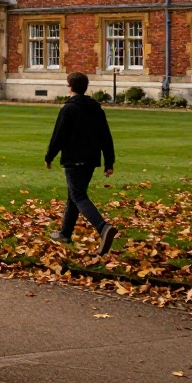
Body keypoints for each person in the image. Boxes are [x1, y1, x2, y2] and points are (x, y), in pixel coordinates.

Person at [46, 71, 119, 255]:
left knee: (78, 196)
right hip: (91, 160)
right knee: (74, 195)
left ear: (70, 86)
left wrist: (49, 157)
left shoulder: (68, 109)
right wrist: (109, 161)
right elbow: (105, 136)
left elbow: (58, 136)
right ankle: (65, 233)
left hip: (73, 159)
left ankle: (103, 227)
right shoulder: (96, 108)